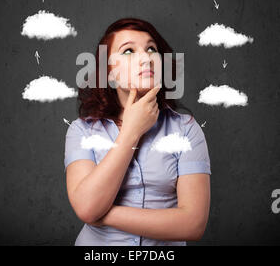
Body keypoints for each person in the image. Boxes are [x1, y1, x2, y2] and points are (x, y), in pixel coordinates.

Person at [64, 17, 211, 246]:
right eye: (128, 51)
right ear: (110, 73)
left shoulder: (187, 129)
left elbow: (193, 224)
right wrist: (131, 131)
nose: (145, 58)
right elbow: (86, 206)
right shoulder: (81, 131)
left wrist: (101, 214)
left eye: (151, 49)